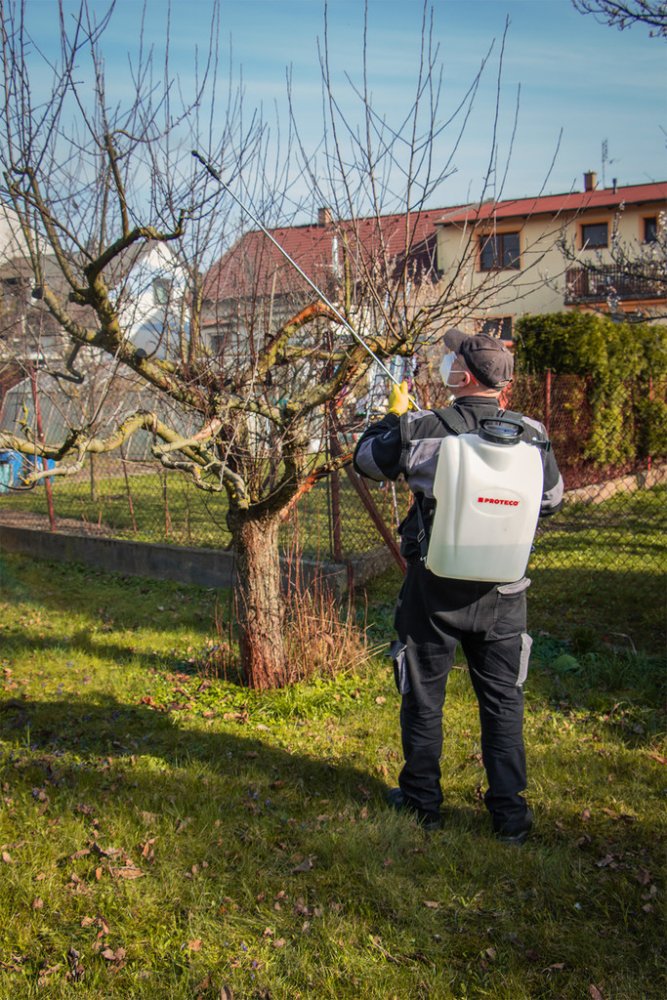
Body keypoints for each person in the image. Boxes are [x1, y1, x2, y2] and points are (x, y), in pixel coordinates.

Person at [353, 329, 563, 843]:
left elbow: (367, 460)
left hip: (434, 590)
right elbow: (552, 499)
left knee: (424, 698)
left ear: (462, 375)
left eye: (451, 358)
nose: (446, 361)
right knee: (503, 703)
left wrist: (393, 418)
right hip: (503, 593)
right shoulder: (533, 434)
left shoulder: (423, 428)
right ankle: (509, 817)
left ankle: (422, 804)